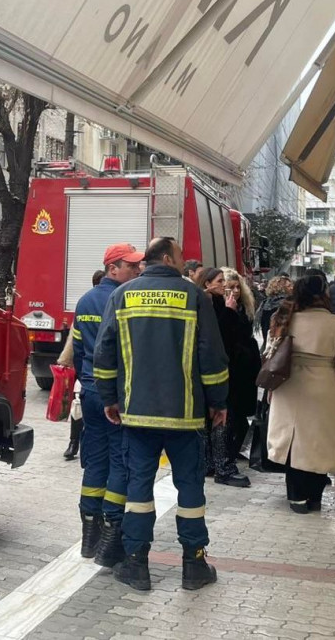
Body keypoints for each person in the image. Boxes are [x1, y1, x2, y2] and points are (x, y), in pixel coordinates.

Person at [94, 237, 229, 592]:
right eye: (181, 256)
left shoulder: (121, 296)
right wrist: (218, 401)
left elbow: (104, 353)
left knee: (138, 486)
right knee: (190, 486)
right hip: (185, 415)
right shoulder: (194, 296)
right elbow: (212, 356)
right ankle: (194, 564)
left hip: (136, 414)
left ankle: (136, 564)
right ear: (168, 259)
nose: (185, 261)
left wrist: (110, 398)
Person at [71, 243, 142, 562]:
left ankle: (89, 532)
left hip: (90, 391)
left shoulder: (85, 300)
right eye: (131, 265)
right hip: (117, 394)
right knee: (119, 461)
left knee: (95, 461)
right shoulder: (125, 299)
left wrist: (86, 382)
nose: (138, 270)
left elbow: (78, 350)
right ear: (113, 268)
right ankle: (112, 531)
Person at [266, 273, 335, 513]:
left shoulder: (285, 319)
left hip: (288, 384)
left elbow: (269, 351)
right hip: (323, 387)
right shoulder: (334, 323)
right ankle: (315, 496)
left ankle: (296, 497)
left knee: (292, 441)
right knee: (319, 443)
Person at [196, 267, 252, 488]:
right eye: (220, 282)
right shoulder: (209, 304)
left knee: (219, 418)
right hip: (215, 370)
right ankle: (222, 466)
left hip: (226, 368)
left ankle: (213, 463)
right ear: (207, 284)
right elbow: (218, 337)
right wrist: (229, 312)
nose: (225, 286)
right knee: (220, 418)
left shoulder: (220, 304)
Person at [60, 269, 108, 461]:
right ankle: (73, 442)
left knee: (80, 405)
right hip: (86, 367)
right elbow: (74, 339)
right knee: (76, 407)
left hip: (87, 368)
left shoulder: (88, 303)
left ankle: (76, 443)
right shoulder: (89, 304)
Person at [221, 268, 261, 482]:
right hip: (230, 368)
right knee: (231, 416)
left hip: (244, 368)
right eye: (230, 287)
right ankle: (224, 458)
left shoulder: (244, 307)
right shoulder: (222, 308)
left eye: (238, 287)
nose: (235, 291)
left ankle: (230, 453)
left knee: (240, 413)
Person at [257, 276, 292, 340]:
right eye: (289, 286)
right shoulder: (286, 304)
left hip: (268, 339)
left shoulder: (265, 303)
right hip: (281, 340)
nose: (292, 288)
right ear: (281, 288)